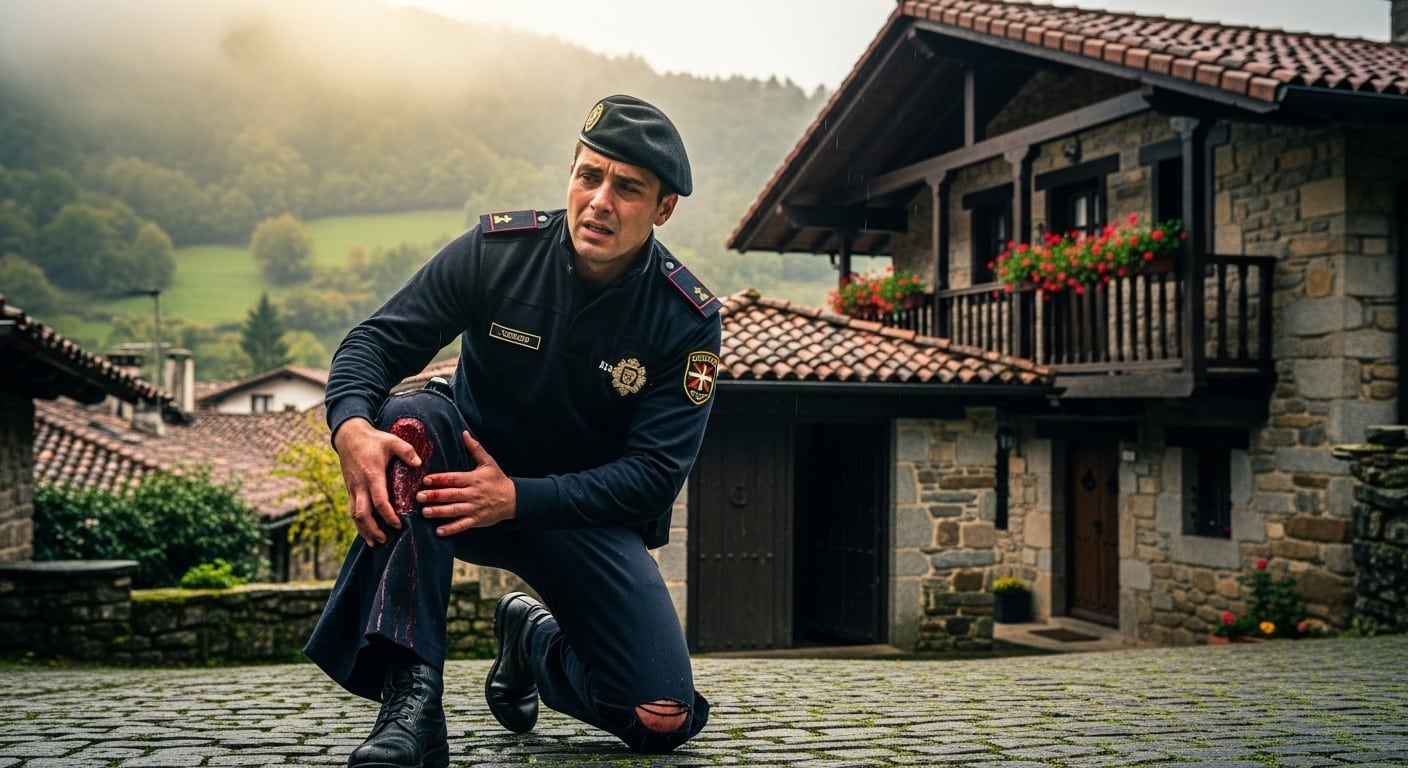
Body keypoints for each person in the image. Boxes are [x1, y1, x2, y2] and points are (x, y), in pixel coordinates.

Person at [304, 94, 722, 767]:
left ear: (663, 207)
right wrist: (349, 424)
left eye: (628, 188)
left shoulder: (686, 319)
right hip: (457, 488)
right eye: (589, 175)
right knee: (411, 421)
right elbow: (374, 343)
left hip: (579, 517)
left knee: (660, 718)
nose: (600, 201)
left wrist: (520, 498)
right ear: (571, 173)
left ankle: (531, 640)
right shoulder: (498, 252)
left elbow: (652, 479)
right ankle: (412, 703)